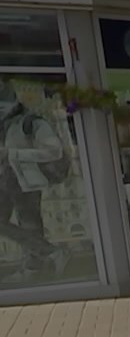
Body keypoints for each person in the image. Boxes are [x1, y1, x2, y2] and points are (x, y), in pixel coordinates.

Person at [0, 81, 68, 275]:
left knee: (30, 223)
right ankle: (50, 252)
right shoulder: (3, 125)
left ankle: (33, 268)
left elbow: (54, 151)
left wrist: (13, 154)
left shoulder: (32, 122)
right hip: (4, 179)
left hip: (26, 180)